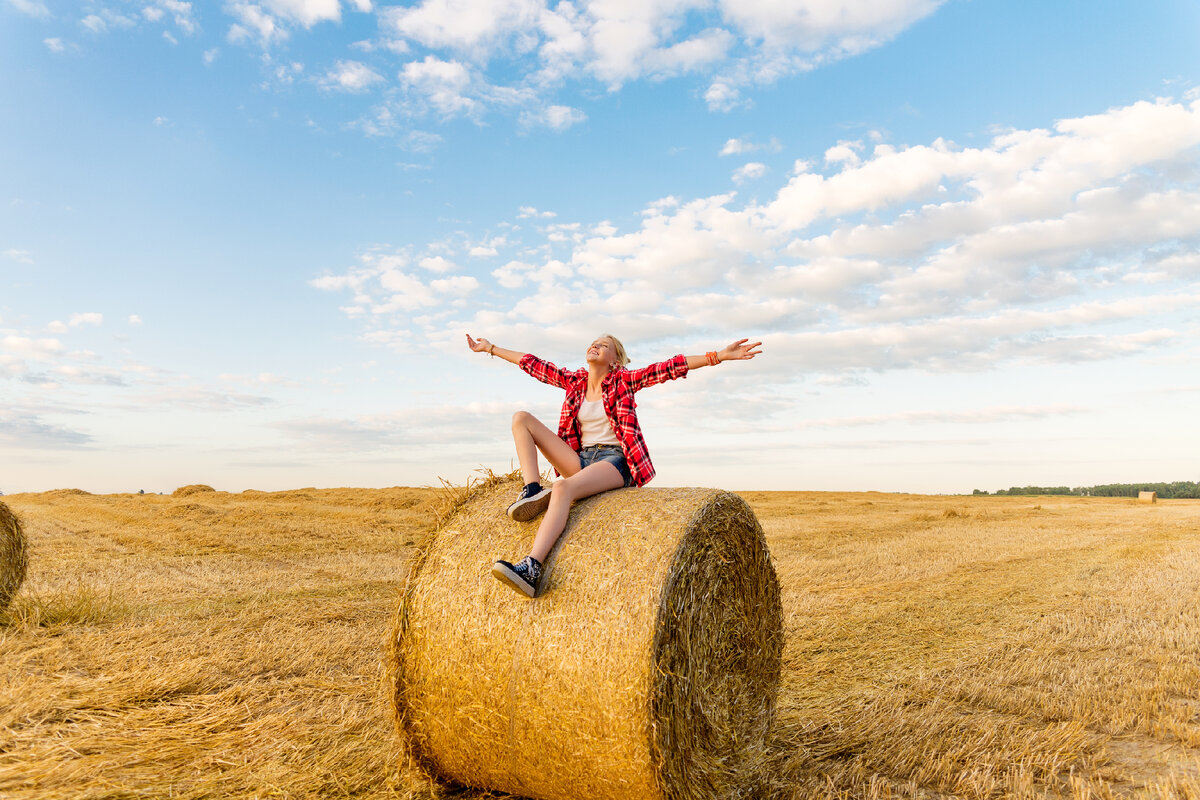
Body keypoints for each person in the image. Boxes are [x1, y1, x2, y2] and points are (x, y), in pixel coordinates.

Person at [465, 332, 762, 598]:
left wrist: (719, 356)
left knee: (563, 487)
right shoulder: (575, 382)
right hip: (580, 458)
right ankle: (531, 489)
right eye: (593, 342)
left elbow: (670, 367)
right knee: (521, 418)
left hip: (614, 460)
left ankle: (532, 567)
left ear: (616, 360)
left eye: (604, 345)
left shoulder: (625, 380)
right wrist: (490, 348)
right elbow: (532, 364)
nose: (595, 345)